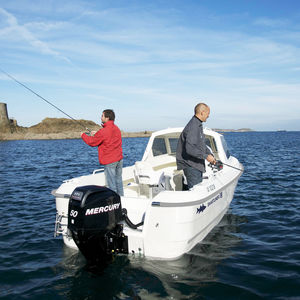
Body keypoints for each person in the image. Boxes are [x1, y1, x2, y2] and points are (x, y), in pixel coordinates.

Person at [81, 109, 124, 196]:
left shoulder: (104, 131)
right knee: (119, 181)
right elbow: (107, 137)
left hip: (110, 161)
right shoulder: (116, 128)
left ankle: (114, 203)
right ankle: (121, 199)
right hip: (119, 159)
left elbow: (92, 142)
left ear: (107, 118)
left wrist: (83, 135)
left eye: (102, 116)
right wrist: (96, 133)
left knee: (111, 185)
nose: (101, 117)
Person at [176, 103, 216, 189]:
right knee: (196, 191)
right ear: (202, 112)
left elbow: (201, 144)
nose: (208, 115)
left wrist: (210, 155)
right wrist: (205, 156)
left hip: (195, 165)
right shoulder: (193, 126)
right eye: (208, 113)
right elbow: (190, 149)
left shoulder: (198, 124)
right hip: (191, 166)